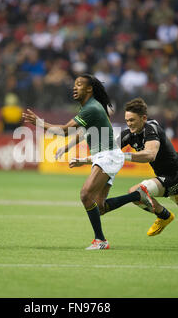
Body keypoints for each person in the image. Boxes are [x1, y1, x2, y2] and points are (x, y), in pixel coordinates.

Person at [64, 97, 178, 236]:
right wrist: (83, 160)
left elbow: (150, 155)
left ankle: (163, 216)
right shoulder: (129, 134)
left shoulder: (152, 128)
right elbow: (107, 154)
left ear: (144, 118)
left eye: (133, 120)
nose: (129, 124)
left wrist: (123, 155)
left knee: (138, 191)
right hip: (164, 176)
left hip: (175, 175)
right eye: (127, 120)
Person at [23, 74, 152, 250]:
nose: (74, 88)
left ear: (89, 89)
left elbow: (65, 130)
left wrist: (39, 123)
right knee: (100, 207)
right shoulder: (92, 108)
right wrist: (67, 147)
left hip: (108, 156)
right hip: (107, 156)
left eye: (79, 84)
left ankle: (100, 240)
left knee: (85, 195)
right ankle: (137, 195)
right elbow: (86, 132)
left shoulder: (91, 108)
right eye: (74, 85)